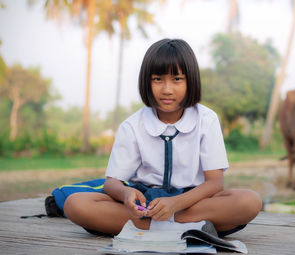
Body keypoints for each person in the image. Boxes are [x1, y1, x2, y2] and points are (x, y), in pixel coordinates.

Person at [64, 38, 262, 237]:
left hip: (192, 203)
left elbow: (214, 184)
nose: (167, 89)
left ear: (190, 81)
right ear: (146, 82)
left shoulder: (207, 120)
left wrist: (175, 204)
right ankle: (184, 228)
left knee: (249, 201)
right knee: (75, 204)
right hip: (145, 206)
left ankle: (150, 228)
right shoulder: (132, 125)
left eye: (177, 79)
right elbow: (112, 183)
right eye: (157, 79)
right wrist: (126, 194)